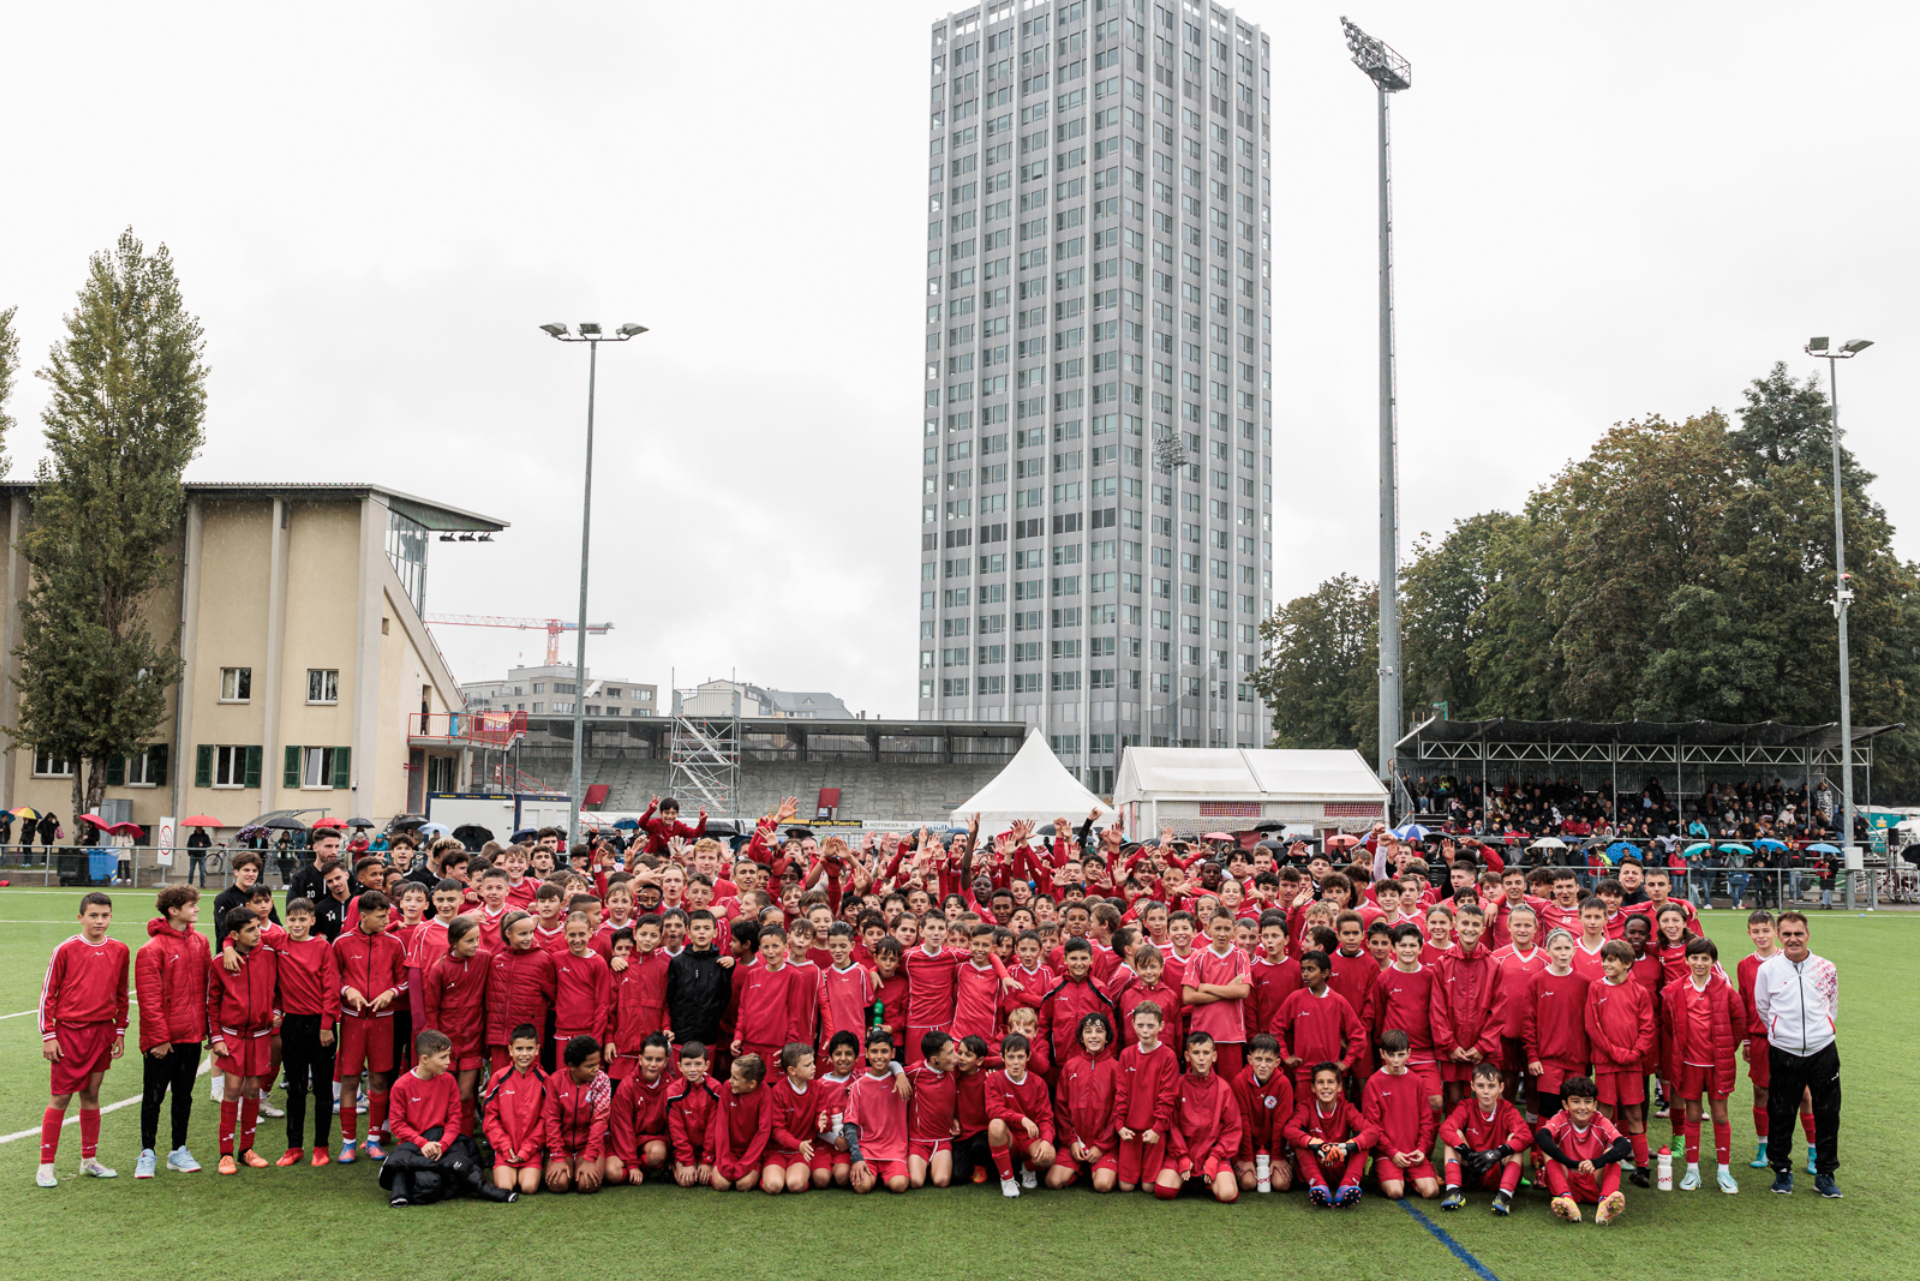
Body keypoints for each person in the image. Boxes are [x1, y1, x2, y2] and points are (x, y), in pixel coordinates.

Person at [37, 892, 130, 1187]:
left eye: (105, 915)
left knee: (91, 1095)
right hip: (68, 1034)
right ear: (81, 918)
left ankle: (89, 1160)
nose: (99, 921)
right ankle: (45, 1166)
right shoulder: (64, 949)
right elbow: (48, 995)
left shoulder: (120, 950)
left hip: (102, 1032)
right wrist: (49, 1035)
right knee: (61, 1096)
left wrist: (120, 1030)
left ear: (111, 917)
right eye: (93, 915)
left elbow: (122, 993)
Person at [1752, 911, 1841, 1198]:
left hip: (1822, 1050)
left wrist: (1819, 1033)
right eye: (1787, 934)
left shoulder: (1827, 967)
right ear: (1779, 936)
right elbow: (1764, 1009)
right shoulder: (1767, 970)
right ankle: (1782, 1170)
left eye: (1798, 933)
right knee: (1781, 1112)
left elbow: (1831, 1005)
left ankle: (1825, 1173)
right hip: (1784, 1051)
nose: (1793, 939)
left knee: (1828, 1113)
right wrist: (1783, 1034)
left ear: (1808, 935)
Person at [133, 886, 211, 1178]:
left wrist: (206, 1031)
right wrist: (159, 1039)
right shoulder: (151, 950)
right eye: (192, 905)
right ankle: (147, 1152)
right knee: (153, 1097)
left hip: (192, 1036)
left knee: (184, 1096)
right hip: (162, 1042)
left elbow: (207, 989)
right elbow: (149, 1001)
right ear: (173, 910)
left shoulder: (201, 942)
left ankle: (179, 1150)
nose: (197, 909)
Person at [333, 889, 407, 1163]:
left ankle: (374, 1139)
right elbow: (332, 979)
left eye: (387, 913)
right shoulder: (341, 943)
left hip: (383, 1023)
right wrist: (347, 989)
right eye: (381, 915)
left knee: (378, 1080)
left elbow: (404, 980)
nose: (387, 918)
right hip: (352, 1023)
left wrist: (392, 993)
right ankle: (348, 1142)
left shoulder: (394, 943)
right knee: (350, 1081)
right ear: (363, 916)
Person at [207, 910, 279, 1173]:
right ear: (235, 935)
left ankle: (246, 1150)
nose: (257, 932)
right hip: (232, 1037)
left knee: (252, 1091)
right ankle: (225, 1154)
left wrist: (277, 1012)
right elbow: (211, 1003)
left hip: (260, 1037)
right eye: (250, 929)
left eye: (258, 927)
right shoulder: (219, 962)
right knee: (232, 1090)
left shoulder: (270, 954)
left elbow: (280, 990)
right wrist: (216, 1037)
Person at [277, 897, 341, 1165]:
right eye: (292, 919)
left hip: (320, 1026)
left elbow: (331, 987)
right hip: (292, 1025)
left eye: (303, 919)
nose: (297, 924)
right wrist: (228, 945)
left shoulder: (323, 947)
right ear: (286, 921)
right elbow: (242, 937)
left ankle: (321, 1146)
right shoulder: (278, 944)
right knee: (296, 1088)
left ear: (313, 921)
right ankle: (294, 1146)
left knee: (323, 1089)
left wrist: (327, 1025)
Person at [1533, 1076, 1631, 1225]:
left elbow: (1624, 1146)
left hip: (1594, 1181)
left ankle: (1605, 1202)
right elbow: (1542, 1136)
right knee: (1549, 1150)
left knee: (1613, 1154)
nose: (1583, 1107)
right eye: (1576, 1101)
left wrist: (1595, 1163)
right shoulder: (1561, 1118)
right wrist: (1570, 1163)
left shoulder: (1601, 1121)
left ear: (1594, 1104)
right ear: (1565, 1105)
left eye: (1587, 1101)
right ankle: (1567, 1200)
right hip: (1567, 1180)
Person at [1436, 1062, 1531, 1214]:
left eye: (1491, 1086)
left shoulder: (1507, 1110)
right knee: (1453, 1138)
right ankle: (1453, 1193)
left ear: (1501, 1087)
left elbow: (1526, 1135)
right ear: (1472, 1086)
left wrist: (1498, 1153)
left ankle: (1504, 1198)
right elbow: (1445, 1128)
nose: (1486, 1091)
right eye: (1481, 1086)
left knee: (1515, 1140)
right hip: (1472, 1168)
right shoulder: (1466, 1106)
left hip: (1498, 1173)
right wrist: (1467, 1153)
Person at [482, 1025, 548, 1195]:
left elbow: (546, 1119)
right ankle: (501, 1163)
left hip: (531, 1149)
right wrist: (504, 1146)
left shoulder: (544, 1080)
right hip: (506, 1150)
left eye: (529, 1049)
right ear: (510, 1050)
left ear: (537, 1050)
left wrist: (528, 1148)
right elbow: (490, 1117)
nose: (524, 1054)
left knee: (528, 1187)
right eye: (519, 1049)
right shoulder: (499, 1077)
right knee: (505, 1188)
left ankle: (534, 1162)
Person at [542, 1035, 612, 1194]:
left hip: (587, 1145)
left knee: (587, 1184)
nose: (597, 1069)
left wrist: (589, 1158)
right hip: (563, 1146)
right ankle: (564, 1165)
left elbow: (600, 1122)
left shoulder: (602, 1081)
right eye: (590, 1066)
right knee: (557, 1185)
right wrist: (558, 1157)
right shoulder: (555, 1081)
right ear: (572, 1066)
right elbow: (551, 1121)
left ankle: (581, 1165)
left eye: (598, 1063)